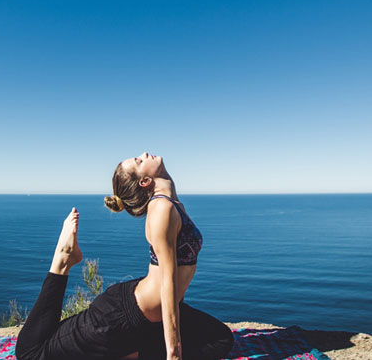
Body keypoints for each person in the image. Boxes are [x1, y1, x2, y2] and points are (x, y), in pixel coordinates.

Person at [16, 152, 234, 360]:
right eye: (139, 161)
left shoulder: (172, 204)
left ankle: (126, 353)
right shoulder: (161, 209)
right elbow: (168, 283)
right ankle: (62, 260)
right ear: (145, 181)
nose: (145, 154)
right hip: (119, 317)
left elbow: (174, 283)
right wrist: (173, 353)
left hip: (149, 315)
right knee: (32, 353)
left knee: (221, 340)